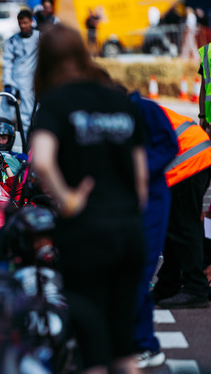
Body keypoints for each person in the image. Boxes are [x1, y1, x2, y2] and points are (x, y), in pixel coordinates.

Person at [30, 24, 148, 374]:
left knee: (93, 352)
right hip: (128, 231)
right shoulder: (117, 98)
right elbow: (141, 179)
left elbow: (40, 160)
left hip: (87, 233)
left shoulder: (56, 102)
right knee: (124, 349)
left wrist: (67, 199)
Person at [126, 92, 178, 368]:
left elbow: (170, 144)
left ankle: (140, 343)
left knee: (137, 272)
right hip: (126, 200)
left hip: (151, 198)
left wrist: (138, 170)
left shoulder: (142, 109)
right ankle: (141, 342)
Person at [152, 106, 211, 309]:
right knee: (172, 225)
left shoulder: (116, 118)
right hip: (192, 151)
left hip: (188, 158)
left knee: (184, 226)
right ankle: (168, 286)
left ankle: (196, 288)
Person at [0, 9, 40, 138]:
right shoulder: (13, 40)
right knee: (4, 115)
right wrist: (7, 83)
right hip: (14, 80)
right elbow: (7, 62)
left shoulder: (39, 37)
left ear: (31, 22)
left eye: (25, 23)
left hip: (29, 82)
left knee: (26, 118)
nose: (23, 26)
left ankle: (25, 145)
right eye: (20, 23)